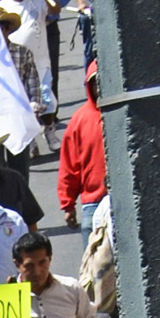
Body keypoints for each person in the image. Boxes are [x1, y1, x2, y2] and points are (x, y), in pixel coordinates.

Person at [58, 62, 107, 229]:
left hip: (125, 199)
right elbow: (69, 165)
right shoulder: (79, 120)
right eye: (95, 82)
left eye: (103, 81)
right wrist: (68, 204)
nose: (99, 86)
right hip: (93, 203)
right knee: (93, 255)